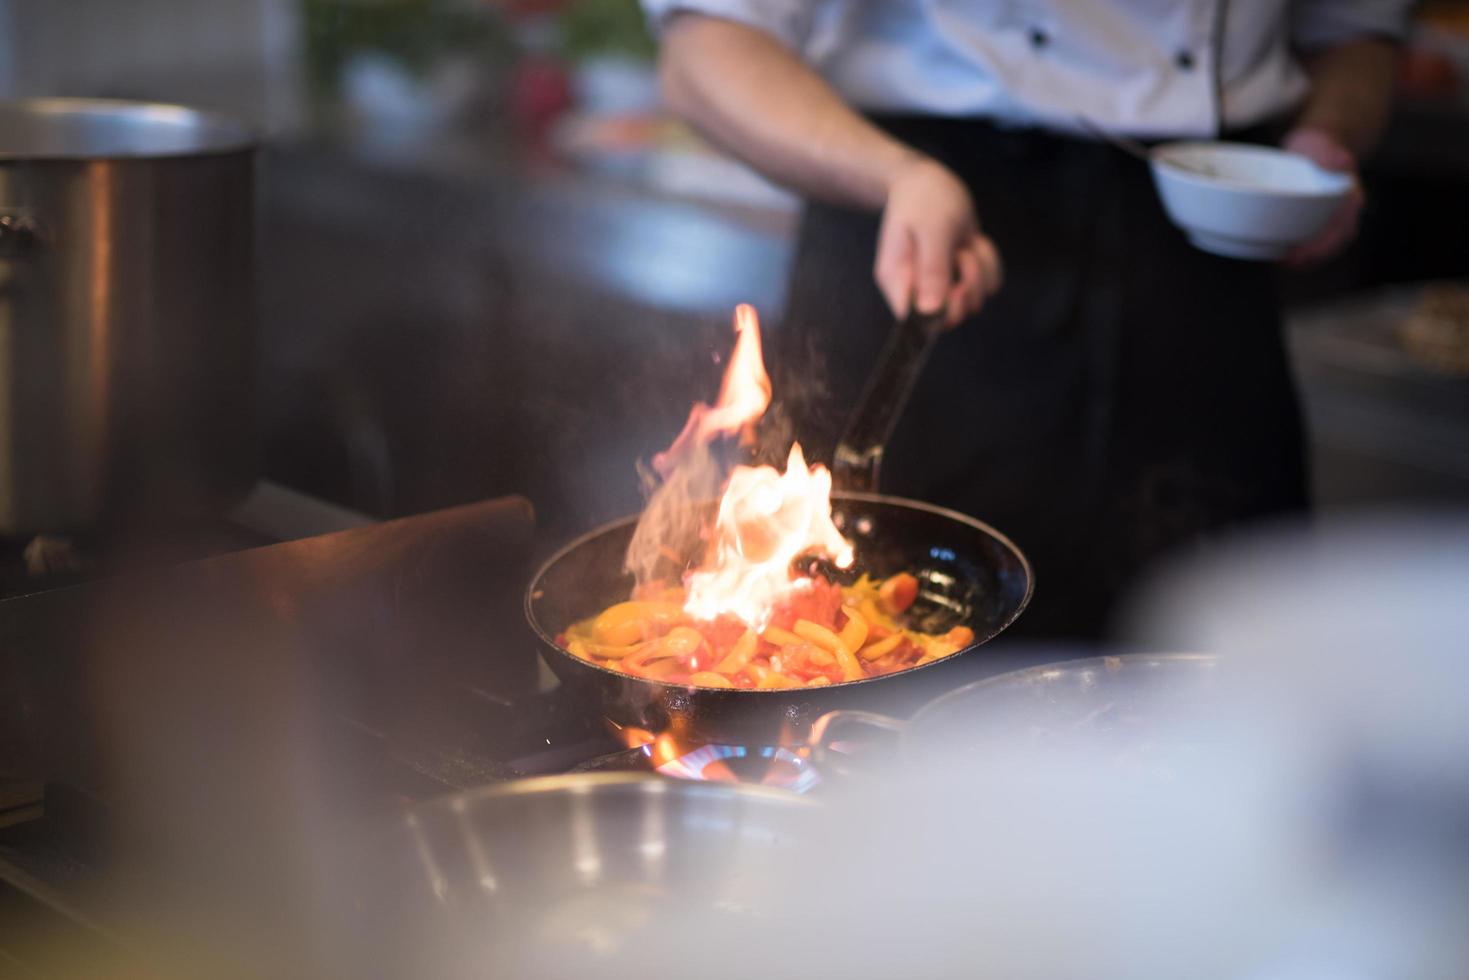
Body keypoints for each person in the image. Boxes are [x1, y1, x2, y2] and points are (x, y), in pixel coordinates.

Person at [639, 0, 1407, 639]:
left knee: (1229, 658)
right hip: (917, 216)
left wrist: (1326, 141)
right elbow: (707, 44)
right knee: (885, 674)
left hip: (1201, 256)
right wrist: (895, 176)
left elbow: (1358, 32)